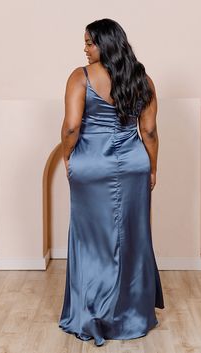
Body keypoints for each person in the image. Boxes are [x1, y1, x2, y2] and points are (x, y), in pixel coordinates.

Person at [58, 18, 164, 347]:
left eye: (89, 42)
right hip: (132, 165)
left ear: (104, 43)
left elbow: (72, 127)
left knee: (91, 240)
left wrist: (66, 155)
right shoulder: (142, 79)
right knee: (131, 235)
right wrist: (152, 168)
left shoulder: (81, 77)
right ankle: (132, 313)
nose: (85, 48)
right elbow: (148, 131)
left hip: (91, 165)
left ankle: (91, 312)